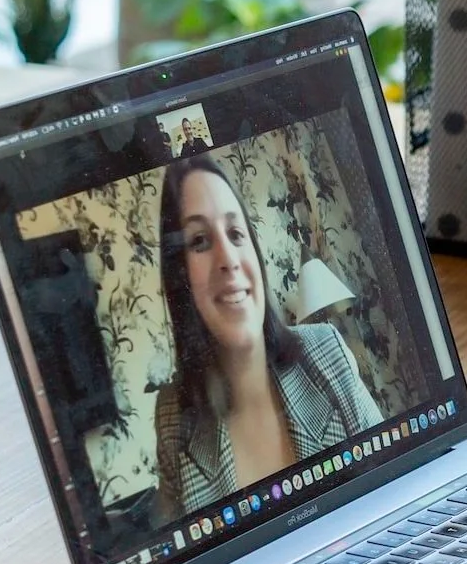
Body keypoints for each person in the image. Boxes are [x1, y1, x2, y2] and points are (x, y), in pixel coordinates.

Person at [151, 154, 378, 522]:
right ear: (180, 276)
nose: (228, 259)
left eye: (236, 234)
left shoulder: (327, 351)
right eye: (200, 241)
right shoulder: (173, 417)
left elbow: (395, 480)